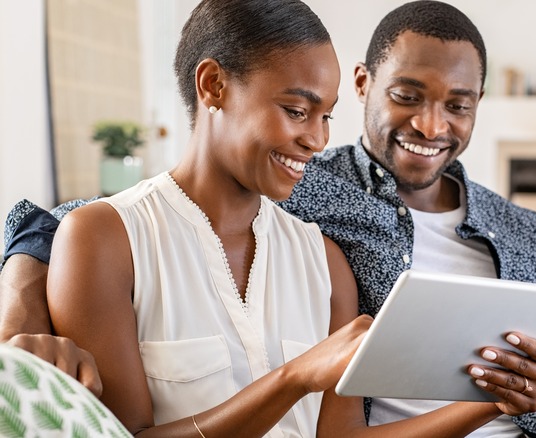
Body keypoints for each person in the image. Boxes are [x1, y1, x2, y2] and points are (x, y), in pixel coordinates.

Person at [2, 1, 536, 437]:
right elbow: (68, 222)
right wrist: (19, 306)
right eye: (408, 96)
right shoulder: (304, 189)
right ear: (366, 86)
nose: (432, 125)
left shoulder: (532, 234)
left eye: (458, 105)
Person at [3, 0, 374, 436]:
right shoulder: (103, 240)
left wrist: (457, 405)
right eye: (296, 111)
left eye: (326, 116)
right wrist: (294, 379)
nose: (318, 139)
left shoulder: (326, 264)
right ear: (213, 85)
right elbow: (122, 434)